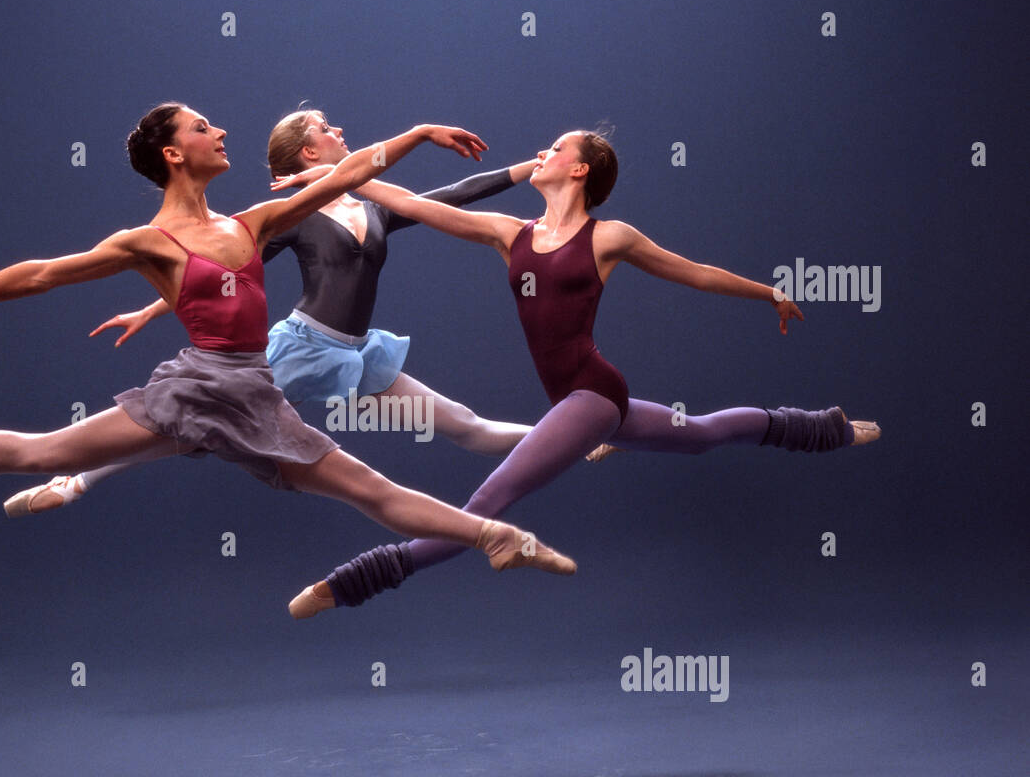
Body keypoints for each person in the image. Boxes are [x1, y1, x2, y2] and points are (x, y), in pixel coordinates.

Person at [0, 104, 577, 581]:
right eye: (205, 127)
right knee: (44, 452)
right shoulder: (150, 240)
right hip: (198, 385)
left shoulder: (249, 223)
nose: (222, 131)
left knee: (370, 490)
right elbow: (40, 274)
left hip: (257, 392)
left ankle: (498, 535)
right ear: (175, 152)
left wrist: (416, 133)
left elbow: (346, 178)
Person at [286, 127, 880, 618]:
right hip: (586, 401)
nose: (543, 153)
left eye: (557, 149)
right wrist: (329, 180)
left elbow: (694, 272)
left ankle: (349, 584)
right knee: (701, 435)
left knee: (488, 501)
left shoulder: (609, 237)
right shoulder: (510, 233)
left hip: (592, 395)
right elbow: (415, 204)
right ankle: (828, 428)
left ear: (580, 172)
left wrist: (768, 292)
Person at [1, 108, 610, 518]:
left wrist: (525, 170)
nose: (337, 129)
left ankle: (573, 436)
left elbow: (447, 198)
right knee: (197, 433)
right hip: (301, 347)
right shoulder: (294, 215)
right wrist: (151, 308)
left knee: (467, 425)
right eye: (324, 127)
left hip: (358, 352)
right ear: (304, 152)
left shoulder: (377, 208)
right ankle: (74, 479)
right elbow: (215, 271)